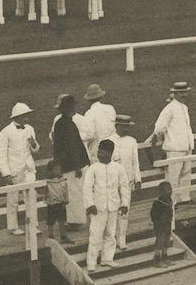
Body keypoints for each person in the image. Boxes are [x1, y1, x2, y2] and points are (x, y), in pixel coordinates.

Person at [49, 94, 89, 245]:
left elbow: (70, 145)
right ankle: (74, 221)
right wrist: (77, 165)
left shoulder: (65, 123)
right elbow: (69, 146)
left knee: (74, 192)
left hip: (70, 163)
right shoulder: (64, 124)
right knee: (73, 192)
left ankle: (75, 220)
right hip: (71, 164)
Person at [148, 81, 196, 205]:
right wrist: (156, 136)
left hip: (187, 146)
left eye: (185, 92)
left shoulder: (184, 107)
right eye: (181, 93)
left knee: (186, 173)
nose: (184, 95)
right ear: (175, 94)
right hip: (175, 147)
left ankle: (185, 197)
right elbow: (159, 126)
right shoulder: (169, 108)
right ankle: (171, 201)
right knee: (173, 176)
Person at [82, 139, 126, 272]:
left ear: (110, 153)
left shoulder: (118, 168)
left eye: (103, 152)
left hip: (113, 205)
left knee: (110, 233)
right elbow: (87, 187)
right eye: (99, 151)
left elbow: (124, 187)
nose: (100, 154)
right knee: (95, 234)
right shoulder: (93, 168)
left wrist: (124, 203)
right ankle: (91, 262)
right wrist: (90, 204)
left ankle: (107, 258)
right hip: (98, 207)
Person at [0, 102, 39, 235]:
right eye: (25, 116)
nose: (27, 118)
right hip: (14, 171)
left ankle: (33, 225)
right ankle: (13, 227)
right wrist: (6, 173)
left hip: (28, 169)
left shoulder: (29, 129)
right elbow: (1, 154)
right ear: (17, 116)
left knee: (31, 198)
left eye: (27, 115)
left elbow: (35, 149)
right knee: (13, 199)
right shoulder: (5, 132)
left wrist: (34, 144)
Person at [110, 113, 142, 246]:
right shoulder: (108, 141)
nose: (126, 129)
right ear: (116, 126)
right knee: (111, 211)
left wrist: (138, 179)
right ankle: (110, 239)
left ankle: (121, 238)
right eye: (123, 127)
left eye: (127, 127)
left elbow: (135, 162)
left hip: (127, 182)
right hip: (112, 183)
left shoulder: (132, 141)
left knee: (124, 210)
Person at [77, 83, 116, 158]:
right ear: (101, 97)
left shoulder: (89, 113)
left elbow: (90, 134)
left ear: (89, 100)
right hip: (113, 145)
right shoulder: (110, 108)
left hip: (98, 149)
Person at [148, 183, 176, 267]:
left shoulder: (169, 199)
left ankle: (165, 258)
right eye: (167, 190)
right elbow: (153, 214)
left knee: (166, 241)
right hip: (160, 226)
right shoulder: (158, 202)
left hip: (167, 223)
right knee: (160, 241)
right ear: (161, 192)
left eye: (170, 189)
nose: (170, 191)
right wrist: (157, 223)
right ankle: (157, 260)